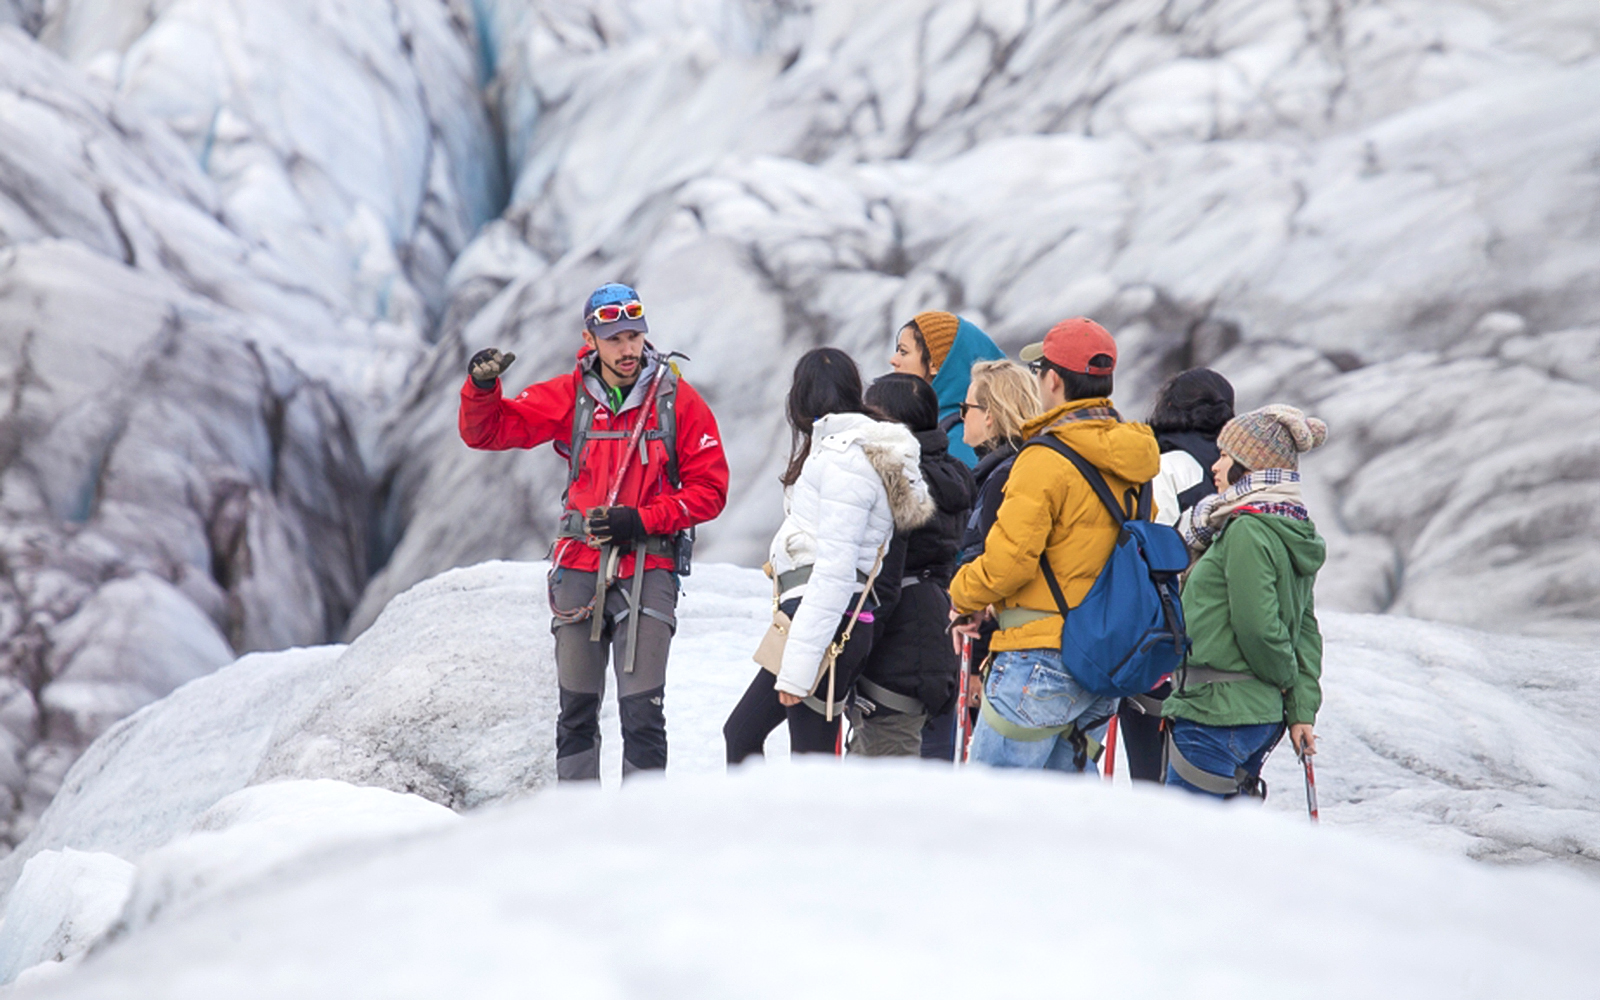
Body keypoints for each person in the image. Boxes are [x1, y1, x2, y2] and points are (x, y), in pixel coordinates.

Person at [459, 282, 729, 782]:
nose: (628, 350)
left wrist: (642, 519)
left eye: (635, 337)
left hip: (650, 563)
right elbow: (488, 431)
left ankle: (639, 831)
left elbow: (710, 489)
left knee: (642, 713)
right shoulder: (571, 397)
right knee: (576, 713)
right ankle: (578, 833)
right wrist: (481, 390)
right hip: (580, 565)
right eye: (615, 339)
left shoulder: (676, 401)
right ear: (591, 339)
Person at [947, 318, 1160, 772]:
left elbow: (1010, 562)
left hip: (1037, 658)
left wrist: (963, 594)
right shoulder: (1135, 460)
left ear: (1054, 380)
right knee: (1053, 830)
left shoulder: (1044, 459)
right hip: (1103, 663)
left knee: (989, 818)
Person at [723, 349, 933, 761]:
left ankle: (757, 826)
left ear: (801, 396)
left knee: (747, 738)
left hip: (826, 620)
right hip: (832, 620)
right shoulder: (844, 449)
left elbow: (836, 570)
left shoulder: (845, 460)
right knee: (807, 757)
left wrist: (797, 670)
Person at [1162, 405, 1327, 799]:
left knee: (1179, 849)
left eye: (1225, 456)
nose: (1215, 467)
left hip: (1216, 714)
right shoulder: (1289, 526)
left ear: (1249, 466)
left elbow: (1257, 627)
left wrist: (1286, 682)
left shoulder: (1247, 530)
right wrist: (1299, 707)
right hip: (1251, 713)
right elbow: (1305, 628)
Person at [1117, 368, 1236, 783]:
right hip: (1224, 638)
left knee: (1152, 774)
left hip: (1166, 637)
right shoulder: (1236, 472)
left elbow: (1152, 553)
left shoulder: (1167, 466)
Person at [847, 374, 974, 757]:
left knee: (884, 782)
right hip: (935, 626)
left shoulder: (898, 476)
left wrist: (854, 648)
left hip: (898, 643)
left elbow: (884, 579)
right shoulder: (954, 472)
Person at [888, 311, 1005, 467]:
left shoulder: (962, 437)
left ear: (934, 364)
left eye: (903, 352)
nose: (893, 360)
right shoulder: (935, 422)